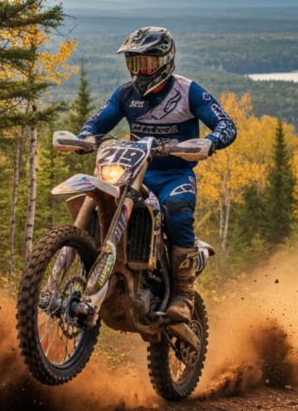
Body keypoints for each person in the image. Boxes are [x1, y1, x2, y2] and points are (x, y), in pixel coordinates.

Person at [76, 26, 235, 322]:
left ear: (165, 60)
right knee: (101, 197)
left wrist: (210, 143)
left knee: (176, 211)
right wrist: (86, 135)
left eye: (148, 62)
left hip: (175, 175)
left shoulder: (189, 91)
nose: (141, 71)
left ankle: (183, 294)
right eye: (134, 63)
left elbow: (227, 125)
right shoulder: (125, 94)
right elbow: (100, 119)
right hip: (134, 172)